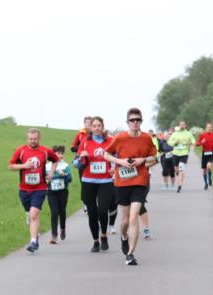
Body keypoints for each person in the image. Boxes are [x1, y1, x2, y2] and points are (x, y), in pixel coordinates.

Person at [103, 107, 158, 266]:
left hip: (140, 181)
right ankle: (124, 237)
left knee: (134, 216)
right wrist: (120, 162)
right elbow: (106, 154)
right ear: (127, 122)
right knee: (125, 220)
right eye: (132, 120)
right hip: (122, 182)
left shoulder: (147, 138)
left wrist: (142, 160)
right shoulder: (120, 138)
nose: (135, 123)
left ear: (141, 122)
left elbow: (154, 156)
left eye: (138, 120)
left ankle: (130, 253)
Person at [9, 129, 58, 253]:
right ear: (27, 139)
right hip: (24, 189)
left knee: (34, 214)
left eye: (35, 139)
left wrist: (51, 173)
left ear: (39, 138)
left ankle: (33, 242)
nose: (33, 141)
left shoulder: (45, 151)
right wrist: (24, 166)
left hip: (40, 188)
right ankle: (32, 226)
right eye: (31, 139)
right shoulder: (21, 151)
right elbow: (11, 166)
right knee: (30, 215)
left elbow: (56, 159)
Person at [75, 116, 113, 252]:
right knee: (92, 213)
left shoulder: (111, 141)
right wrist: (81, 157)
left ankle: (104, 235)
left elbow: (118, 157)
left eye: (99, 125)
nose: (97, 128)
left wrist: (115, 168)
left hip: (106, 181)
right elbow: (76, 164)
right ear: (90, 128)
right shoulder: (85, 141)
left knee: (103, 210)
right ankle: (96, 241)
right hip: (88, 181)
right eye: (94, 126)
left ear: (103, 126)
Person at [46, 145, 72, 243]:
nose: (60, 155)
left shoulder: (65, 166)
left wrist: (64, 175)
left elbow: (70, 179)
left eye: (61, 153)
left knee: (62, 211)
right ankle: (54, 235)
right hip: (51, 191)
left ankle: (62, 229)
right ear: (53, 154)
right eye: (58, 153)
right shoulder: (47, 166)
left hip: (63, 192)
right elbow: (44, 178)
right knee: (54, 212)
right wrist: (47, 179)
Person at [168, 120, 195, 193]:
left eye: (183, 125)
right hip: (175, 154)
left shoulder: (188, 133)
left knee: (181, 170)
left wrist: (190, 142)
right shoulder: (175, 134)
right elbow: (169, 142)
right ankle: (178, 174)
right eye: (181, 125)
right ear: (179, 125)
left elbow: (193, 140)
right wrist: (174, 142)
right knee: (176, 170)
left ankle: (179, 186)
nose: (182, 126)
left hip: (184, 154)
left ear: (185, 126)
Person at [198, 122, 213, 190]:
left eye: (210, 127)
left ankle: (209, 179)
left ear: (211, 128)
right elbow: (197, 144)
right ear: (206, 128)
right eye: (208, 127)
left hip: (211, 153)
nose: (209, 128)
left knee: (209, 166)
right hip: (204, 153)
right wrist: (202, 142)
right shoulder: (202, 135)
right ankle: (206, 184)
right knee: (204, 170)